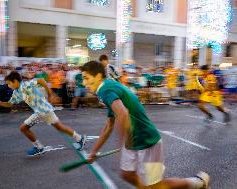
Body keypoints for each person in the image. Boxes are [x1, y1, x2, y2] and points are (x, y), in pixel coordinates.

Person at [81, 61, 209, 189]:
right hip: (133, 140)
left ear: (98, 76)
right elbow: (109, 124)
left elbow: (123, 114)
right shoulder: (108, 87)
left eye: (86, 78)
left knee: (157, 186)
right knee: (127, 175)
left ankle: (197, 182)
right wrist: (94, 152)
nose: (84, 83)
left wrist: (121, 143)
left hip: (147, 139)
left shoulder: (105, 89)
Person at [0, 71, 86, 156]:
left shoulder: (26, 85)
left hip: (42, 111)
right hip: (44, 111)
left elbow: (41, 80)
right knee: (59, 127)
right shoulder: (16, 92)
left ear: (15, 81)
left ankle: (39, 147)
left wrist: (50, 94)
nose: (8, 86)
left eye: (9, 83)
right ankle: (79, 138)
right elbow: (9, 104)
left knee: (23, 128)